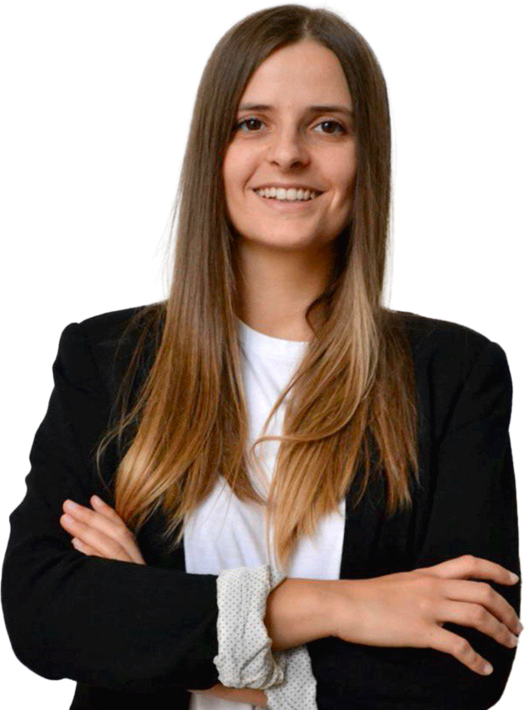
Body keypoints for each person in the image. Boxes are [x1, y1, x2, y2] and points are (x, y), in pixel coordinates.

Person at [1, 2, 521, 709]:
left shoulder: (453, 372)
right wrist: (337, 606)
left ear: (367, 156)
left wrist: (156, 615)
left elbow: (467, 664)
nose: (287, 154)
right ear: (212, 150)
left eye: (328, 126)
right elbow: (44, 616)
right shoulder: (107, 358)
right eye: (252, 123)